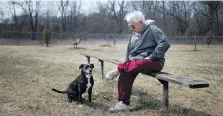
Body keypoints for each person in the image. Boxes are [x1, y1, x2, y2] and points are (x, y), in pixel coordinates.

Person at [105, 11, 170, 112]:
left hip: (153, 62)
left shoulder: (153, 29)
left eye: (133, 26)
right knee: (125, 72)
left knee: (142, 62)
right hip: (134, 64)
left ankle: (119, 67)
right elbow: (129, 54)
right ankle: (124, 103)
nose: (131, 29)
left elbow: (164, 43)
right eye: (130, 26)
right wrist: (127, 63)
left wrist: (152, 56)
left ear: (140, 23)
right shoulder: (133, 36)